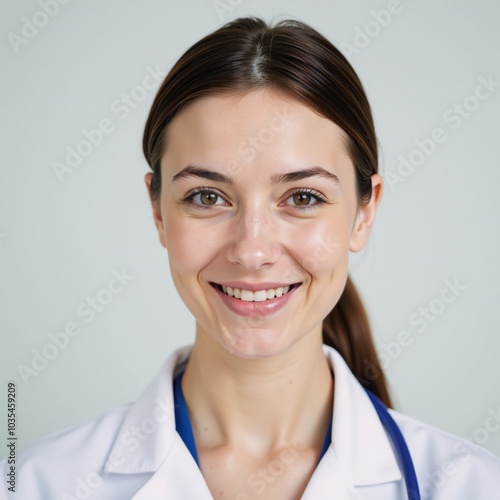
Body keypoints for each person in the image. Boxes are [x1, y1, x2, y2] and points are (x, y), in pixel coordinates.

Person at [1, 16, 499, 500]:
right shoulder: (41, 483)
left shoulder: (470, 485)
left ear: (364, 215)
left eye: (303, 198)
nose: (253, 251)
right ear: (157, 211)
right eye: (206, 197)